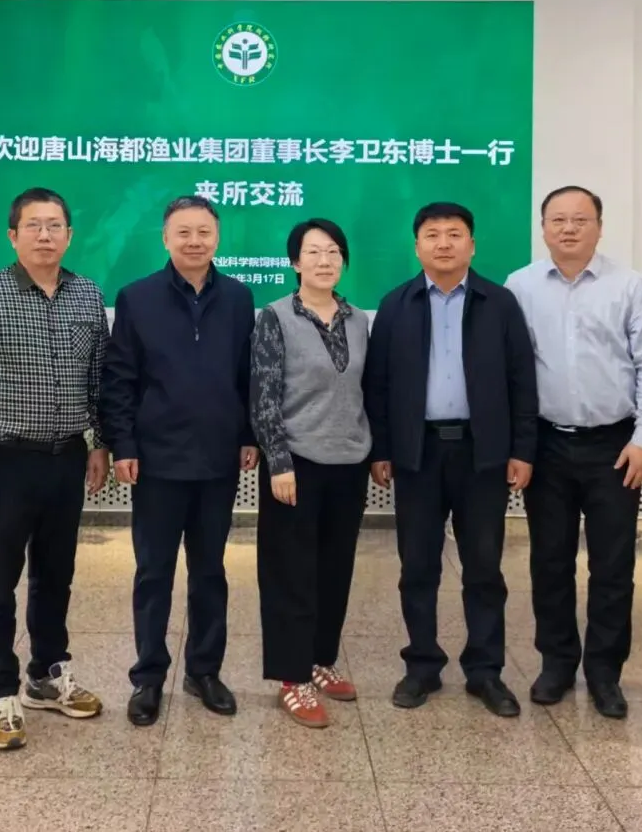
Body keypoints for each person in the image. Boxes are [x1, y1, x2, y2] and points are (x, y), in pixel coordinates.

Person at [0, 187, 110, 751]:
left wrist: (99, 444)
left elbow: (99, 379)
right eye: (33, 225)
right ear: (13, 235)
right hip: (4, 461)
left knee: (56, 574)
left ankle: (47, 673)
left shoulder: (87, 294)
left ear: (69, 235)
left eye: (54, 225)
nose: (45, 235)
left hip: (67, 458)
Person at [363, 202, 538, 716]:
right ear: (417, 246)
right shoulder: (396, 304)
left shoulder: (499, 303)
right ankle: (422, 666)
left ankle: (486, 671)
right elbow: (378, 384)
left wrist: (522, 449)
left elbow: (522, 381)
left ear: (472, 245)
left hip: (483, 453)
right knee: (417, 565)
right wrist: (381, 449)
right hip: (416, 453)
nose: (444, 243)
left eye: (455, 234)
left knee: (484, 566)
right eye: (433, 234)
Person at [505, 186, 642, 719]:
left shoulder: (629, 285)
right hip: (546, 443)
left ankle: (604, 672)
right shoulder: (520, 286)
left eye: (580, 219)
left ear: (599, 226)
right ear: (543, 227)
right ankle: (556, 663)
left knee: (613, 565)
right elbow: (512, 370)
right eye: (558, 220)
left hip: (614, 446)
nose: (569, 228)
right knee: (549, 561)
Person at [101, 195, 258, 727]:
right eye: (183, 232)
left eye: (204, 232)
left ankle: (204, 670)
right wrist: (123, 444)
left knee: (210, 571)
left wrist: (248, 436)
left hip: (218, 460)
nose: (194, 241)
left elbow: (246, 375)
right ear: (165, 238)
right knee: (154, 572)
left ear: (218, 237)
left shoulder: (238, 298)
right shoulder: (137, 297)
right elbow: (120, 378)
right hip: (157, 461)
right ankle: (148, 676)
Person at [250, 218, 371, 729]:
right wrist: (278, 461)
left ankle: (321, 659)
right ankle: (291, 676)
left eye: (333, 251)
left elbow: (366, 389)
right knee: (290, 574)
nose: (325, 260)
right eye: (313, 252)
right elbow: (264, 394)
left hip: (349, 463)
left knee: (334, 571)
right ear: (295, 262)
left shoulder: (357, 319)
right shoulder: (275, 317)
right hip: (295, 465)